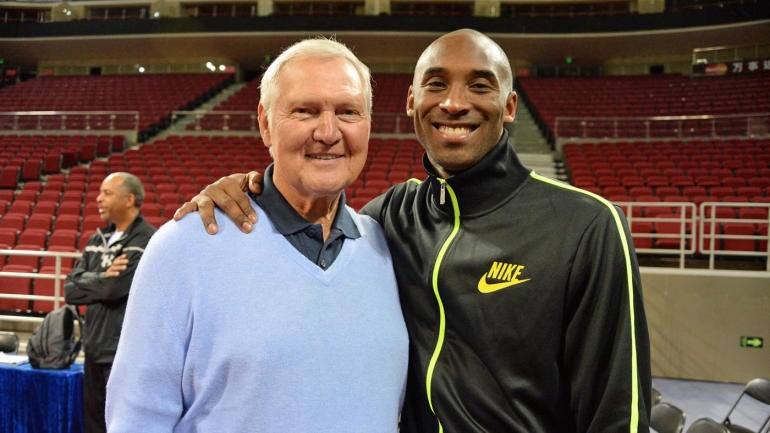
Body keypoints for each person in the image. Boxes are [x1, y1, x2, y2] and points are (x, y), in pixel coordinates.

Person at [178, 29, 652, 433]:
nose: (454, 102)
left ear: (509, 107)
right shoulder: (389, 219)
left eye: (480, 86)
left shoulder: (585, 225)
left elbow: (617, 411)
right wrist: (245, 186)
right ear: (411, 102)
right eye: (437, 84)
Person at [105, 38, 409, 433]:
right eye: (305, 111)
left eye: (348, 112)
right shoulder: (183, 247)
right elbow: (137, 420)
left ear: (368, 125)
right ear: (265, 123)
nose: (329, 131)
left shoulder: (385, 248)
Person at [64, 172, 156, 433]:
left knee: (122, 425)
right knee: (93, 424)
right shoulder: (97, 239)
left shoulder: (146, 239)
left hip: (124, 351)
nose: (98, 198)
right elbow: (70, 289)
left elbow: (116, 288)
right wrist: (102, 277)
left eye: (107, 193)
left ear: (129, 199)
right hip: (93, 348)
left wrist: (93, 281)